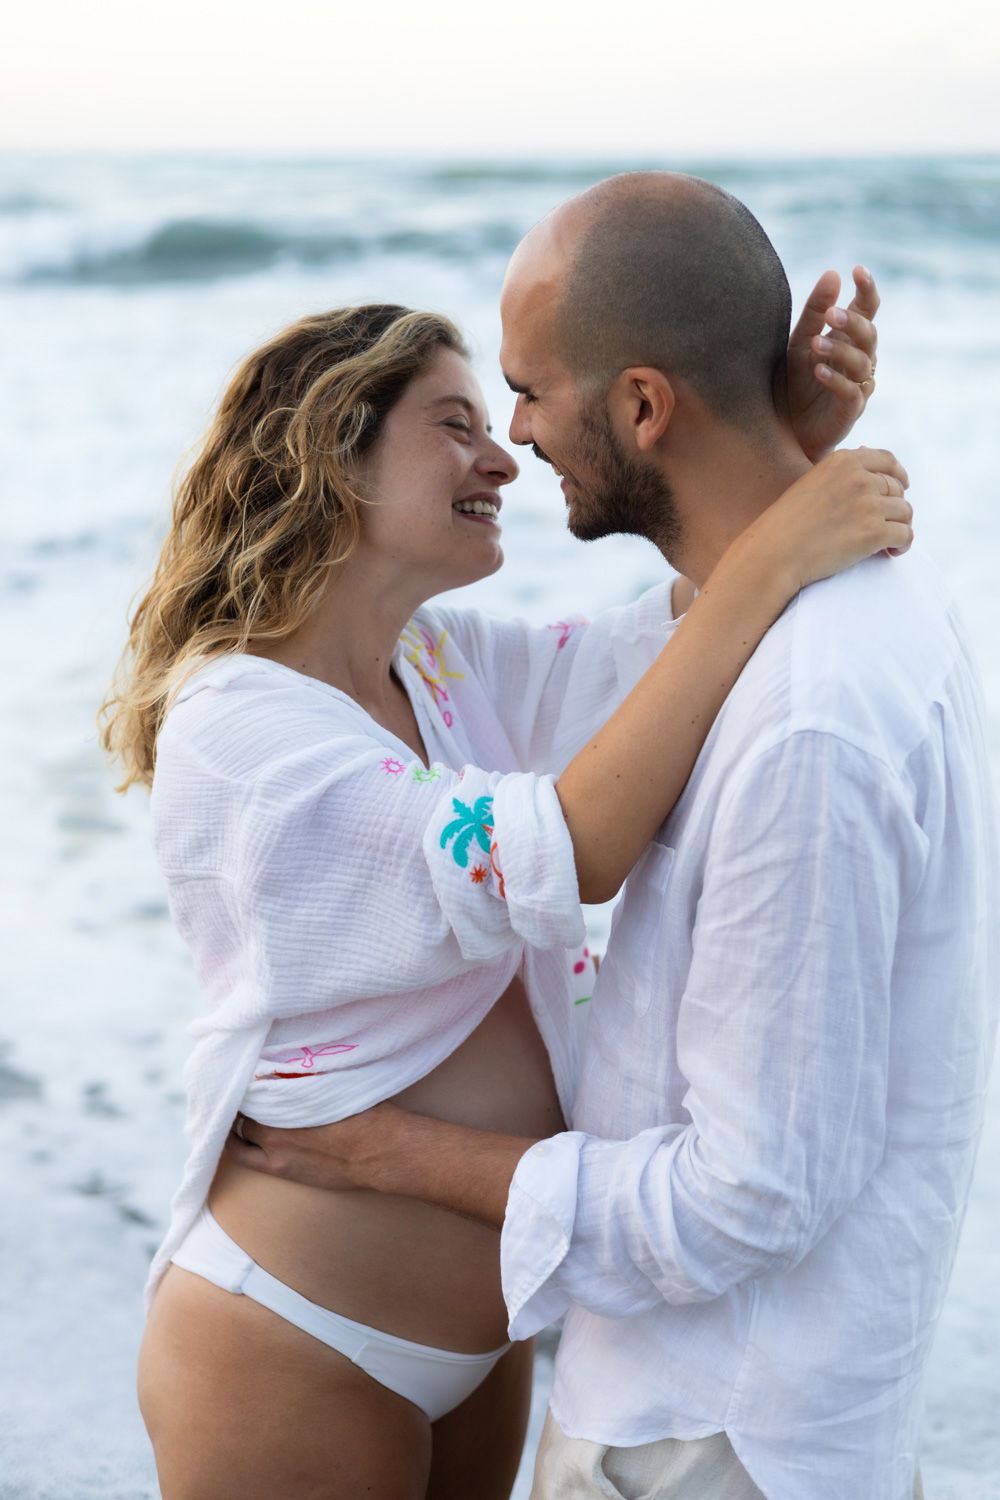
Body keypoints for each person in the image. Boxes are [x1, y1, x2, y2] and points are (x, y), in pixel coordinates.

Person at [229, 174, 998, 1500]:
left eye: (527, 392)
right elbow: (636, 662)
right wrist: (783, 466)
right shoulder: (820, 624)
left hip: (699, 1443)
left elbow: (745, 1201)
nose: (517, 437)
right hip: (739, 1419)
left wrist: (392, 1154)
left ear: (643, 406)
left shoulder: (804, 714)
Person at [102, 289, 907, 1498]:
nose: (503, 458)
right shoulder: (238, 728)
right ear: (332, 453)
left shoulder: (430, 660)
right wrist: (784, 545)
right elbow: (570, 847)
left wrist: (772, 449)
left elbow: (656, 662)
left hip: (485, 1339)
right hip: (295, 1336)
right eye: (455, 425)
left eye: (497, 421)